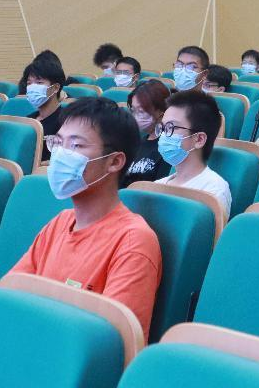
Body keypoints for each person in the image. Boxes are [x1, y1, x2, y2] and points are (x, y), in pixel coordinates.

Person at [9, 97, 161, 342]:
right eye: (59, 143)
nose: (61, 154)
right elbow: (11, 293)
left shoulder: (133, 241)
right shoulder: (60, 222)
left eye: (76, 145)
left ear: (114, 161)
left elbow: (112, 342)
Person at [155, 90, 232, 219]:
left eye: (171, 127)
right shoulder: (157, 186)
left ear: (199, 139)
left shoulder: (213, 191)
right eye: (163, 128)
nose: (163, 135)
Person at [122, 80, 171, 186]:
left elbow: (160, 188)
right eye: (133, 110)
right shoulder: (136, 143)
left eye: (141, 111)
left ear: (161, 111)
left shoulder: (170, 146)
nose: (135, 116)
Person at [24, 56, 66, 161]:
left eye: (39, 83)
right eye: (29, 83)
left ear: (55, 88)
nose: (32, 87)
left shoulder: (66, 121)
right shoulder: (28, 120)